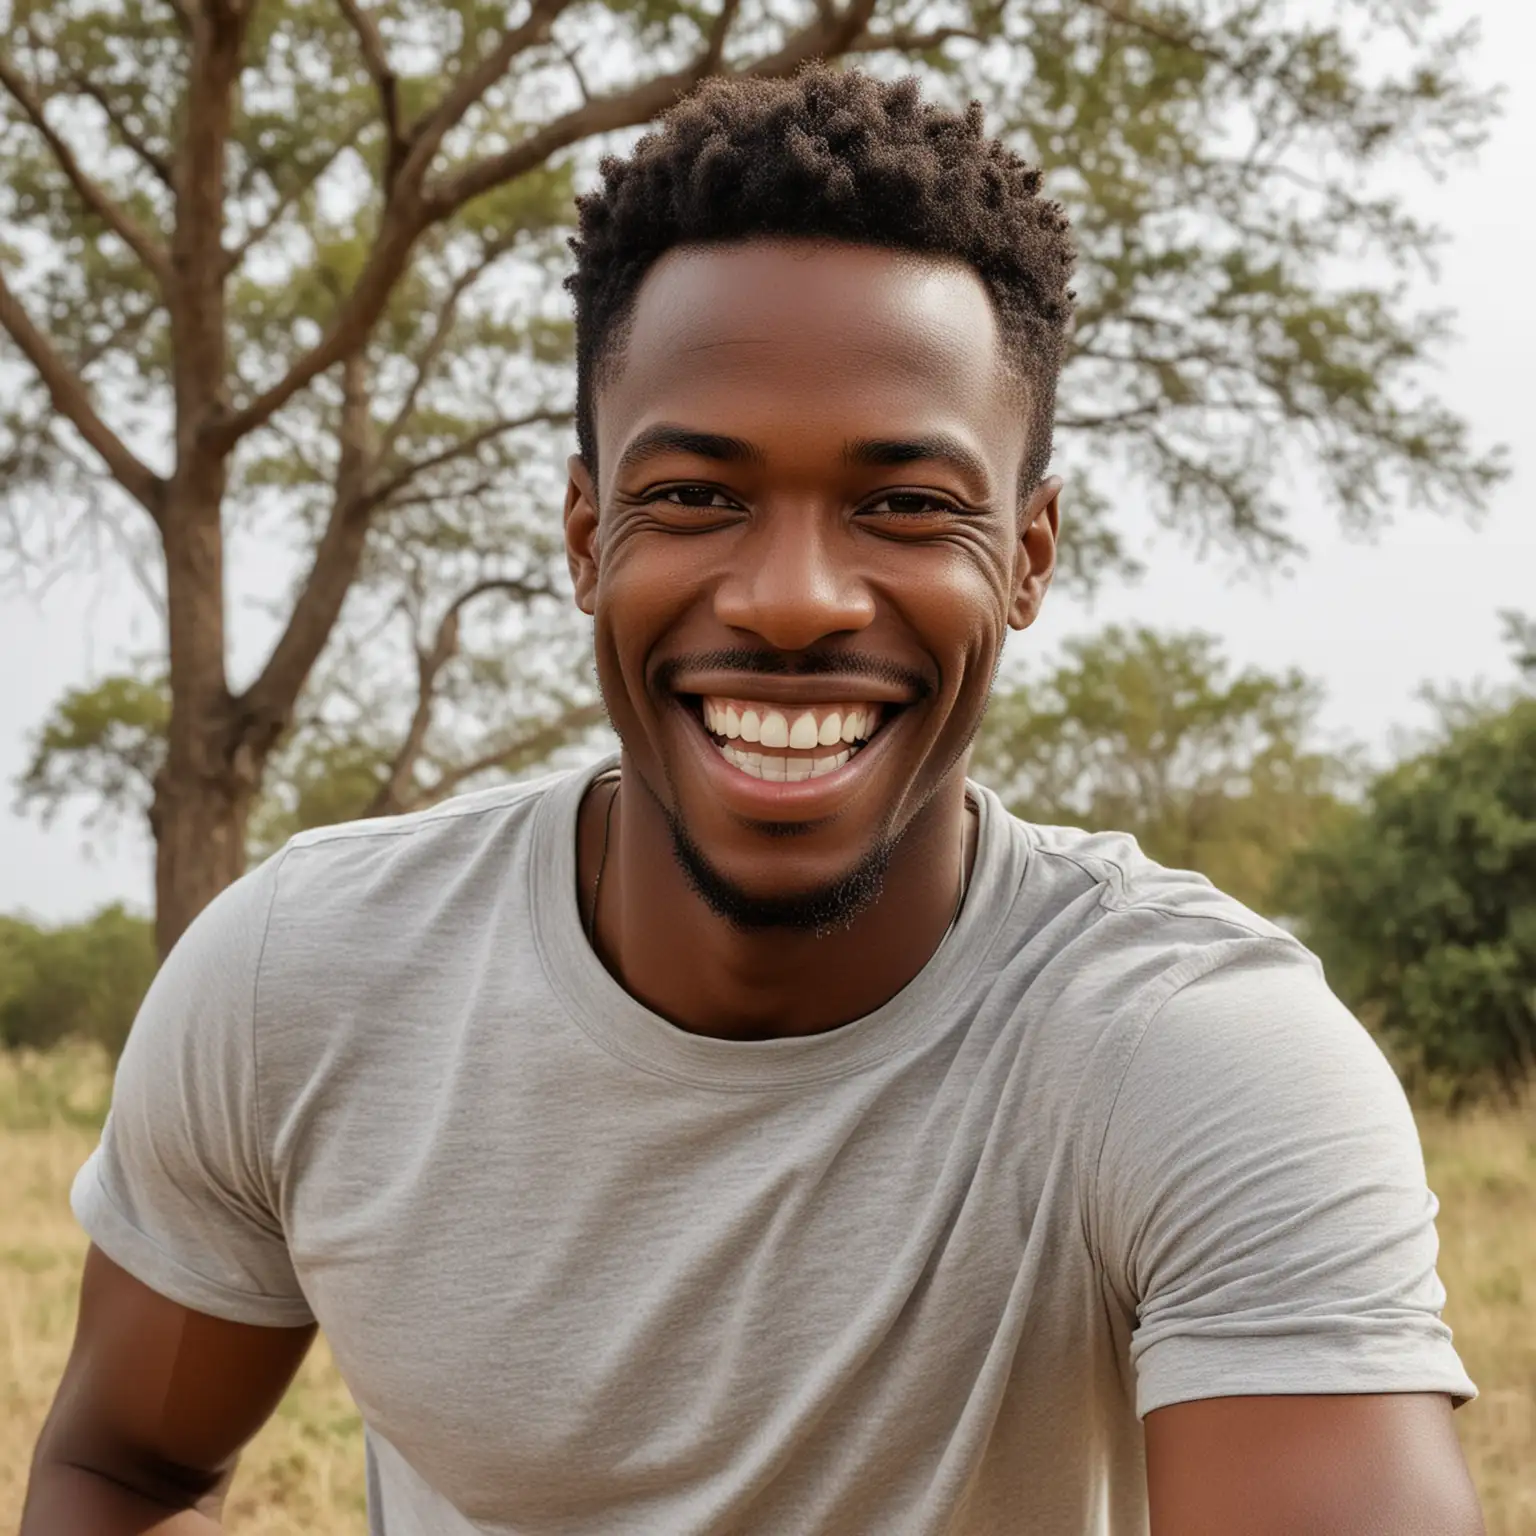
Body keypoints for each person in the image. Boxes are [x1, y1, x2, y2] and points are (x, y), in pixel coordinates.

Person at [24, 67, 1482, 1536]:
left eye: (905, 504)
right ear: (588, 536)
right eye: (697, 498)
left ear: (1029, 555)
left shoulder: (1197, 1058)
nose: (792, 603)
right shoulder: (303, 979)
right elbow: (122, 1470)